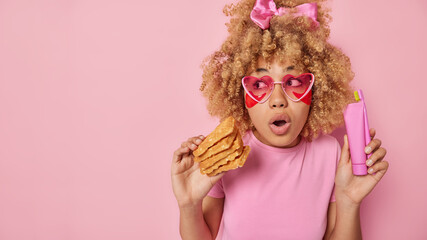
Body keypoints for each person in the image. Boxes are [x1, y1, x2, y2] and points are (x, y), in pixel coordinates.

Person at [171, 0, 389, 239]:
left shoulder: (330, 154)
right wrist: (188, 205)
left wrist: (349, 202)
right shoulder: (229, 153)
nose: (278, 100)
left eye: (293, 82)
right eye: (259, 84)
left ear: (316, 91)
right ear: (241, 94)